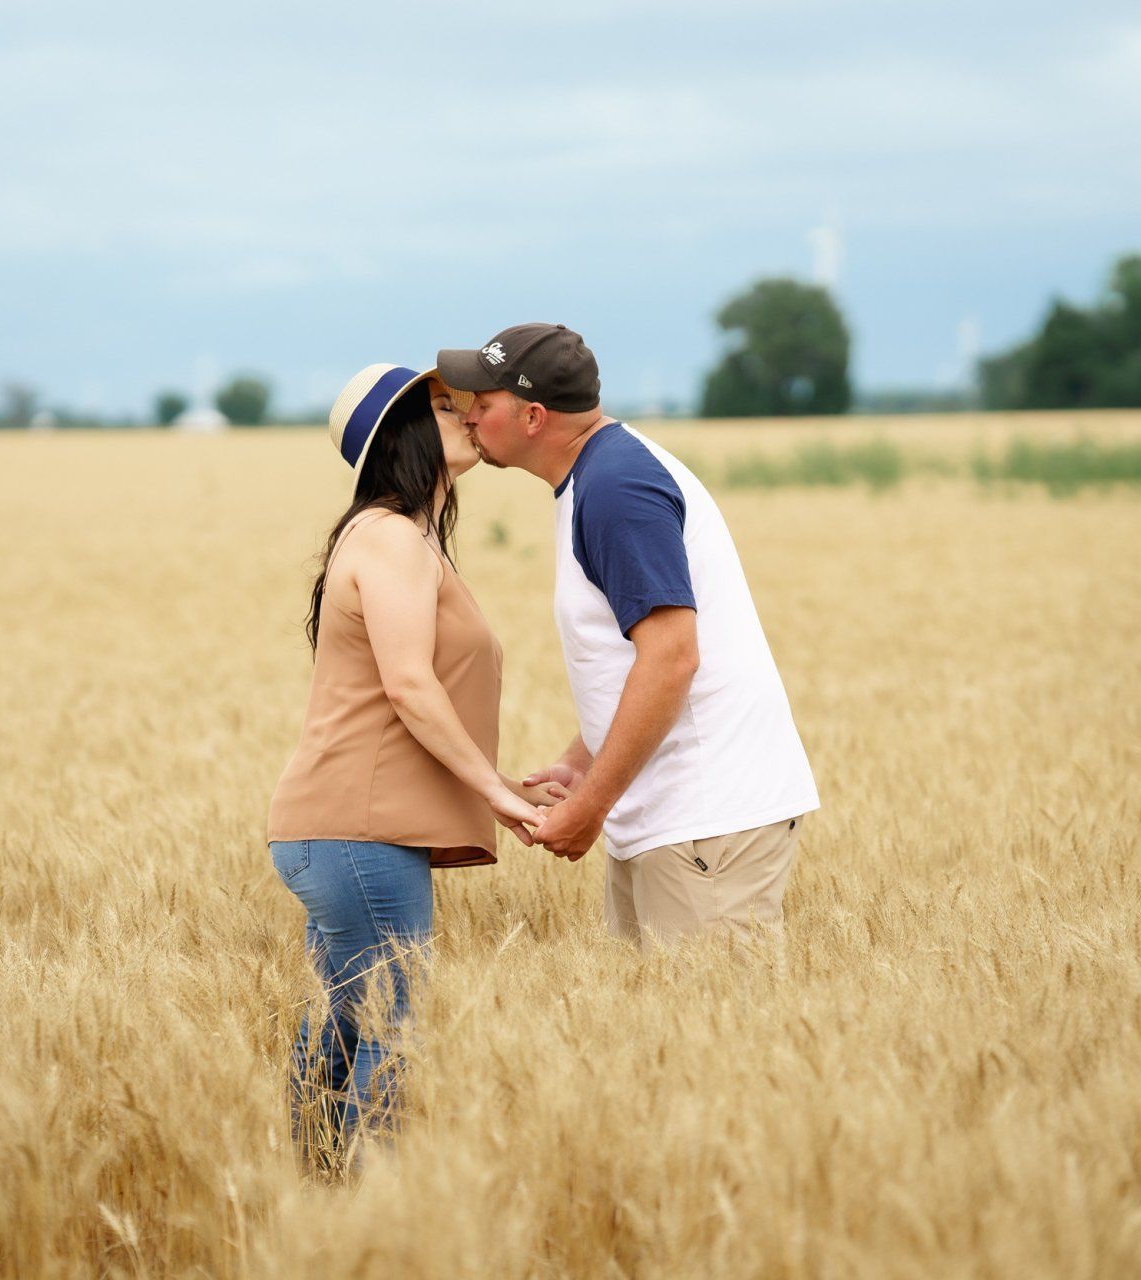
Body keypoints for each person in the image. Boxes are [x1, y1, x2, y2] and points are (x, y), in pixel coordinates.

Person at [437, 324, 819, 951]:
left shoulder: (616, 488)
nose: (469, 415)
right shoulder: (598, 474)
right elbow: (631, 658)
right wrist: (578, 763)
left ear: (533, 416)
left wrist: (589, 808)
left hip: (704, 817)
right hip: (670, 815)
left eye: (483, 401)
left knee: (711, 1036)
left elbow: (672, 657)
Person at [266, 363, 557, 1174]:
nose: (466, 411)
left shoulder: (408, 539)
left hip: (346, 829)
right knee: (394, 1028)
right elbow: (408, 685)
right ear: (398, 435)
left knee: (343, 1025)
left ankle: (315, 1195)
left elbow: (418, 703)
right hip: (359, 832)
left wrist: (511, 781)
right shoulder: (391, 537)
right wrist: (494, 792)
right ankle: (370, 1217)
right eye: (441, 403)